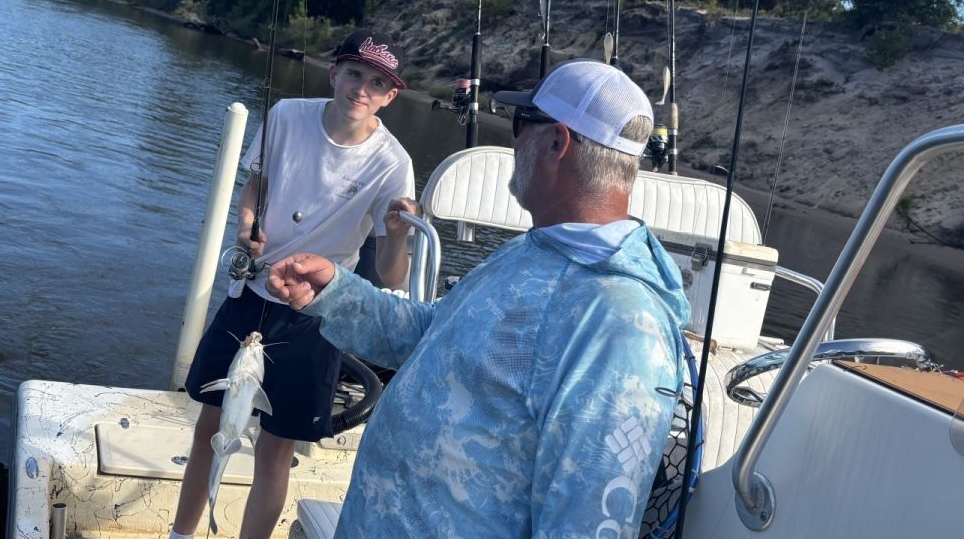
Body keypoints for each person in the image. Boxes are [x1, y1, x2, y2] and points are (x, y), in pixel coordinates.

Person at [268, 58, 691, 538]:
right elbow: (433, 337)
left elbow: (588, 523)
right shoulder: (533, 249)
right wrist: (337, 294)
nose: (513, 142)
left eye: (520, 124)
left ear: (557, 142)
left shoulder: (620, 324)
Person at [170, 29, 417, 539]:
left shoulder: (393, 164)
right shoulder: (286, 115)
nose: (361, 89)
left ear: (390, 97)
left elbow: (394, 275)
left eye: (377, 83)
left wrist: (396, 234)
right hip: (250, 297)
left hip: (317, 318)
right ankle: (181, 533)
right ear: (334, 73)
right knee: (208, 430)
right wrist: (245, 227)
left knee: (275, 452)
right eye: (354, 73)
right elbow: (255, 183)